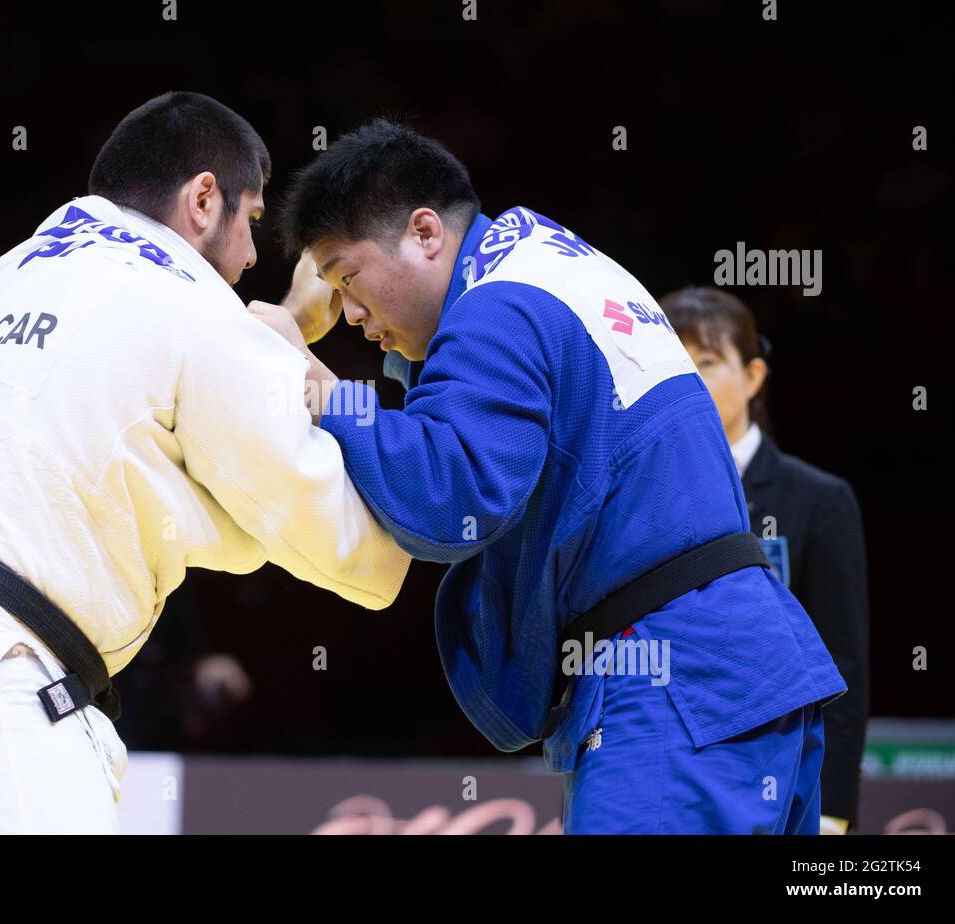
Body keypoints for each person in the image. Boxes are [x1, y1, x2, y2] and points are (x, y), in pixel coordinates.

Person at [0, 93, 410, 833]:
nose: (250, 256)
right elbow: (353, 552)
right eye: (250, 220)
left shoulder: (2, 279)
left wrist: (279, 335)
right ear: (202, 199)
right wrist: (302, 361)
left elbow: (149, 469)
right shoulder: (185, 298)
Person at [251, 118, 846, 834]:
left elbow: (449, 492)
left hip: (672, 682)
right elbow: (477, 396)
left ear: (426, 232)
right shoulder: (548, 263)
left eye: (349, 279)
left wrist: (318, 384)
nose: (348, 314)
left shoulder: (496, 307)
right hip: (745, 675)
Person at [659, 286, 870, 834]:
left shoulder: (818, 500)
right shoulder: (637, 494)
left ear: (753, 376)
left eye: (707, 362)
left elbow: (842, 663)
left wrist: (831, 807)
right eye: (673, 364)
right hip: (664, 761)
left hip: (779, 764)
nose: (690, 381)